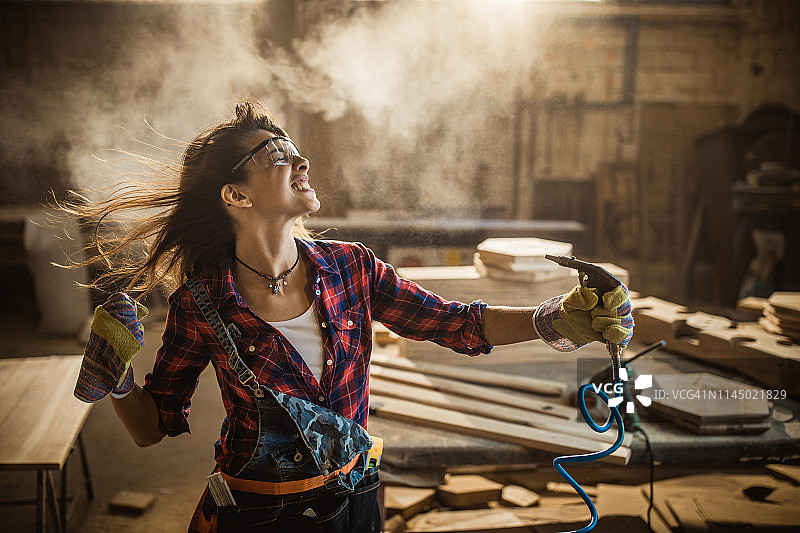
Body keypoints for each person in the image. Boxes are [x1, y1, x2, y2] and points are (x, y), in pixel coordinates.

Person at [69, 100, 633, 533]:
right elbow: (149, 429)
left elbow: (452, 322)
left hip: (357, 504)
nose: (301, 160)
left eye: (293, 146)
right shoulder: (202, 302)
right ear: (235, 196)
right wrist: (115, 375)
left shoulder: (352, 269)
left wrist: (552, 321)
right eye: (276, 154)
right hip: (258, 516)